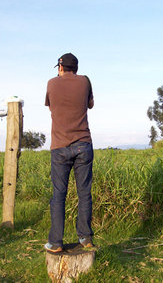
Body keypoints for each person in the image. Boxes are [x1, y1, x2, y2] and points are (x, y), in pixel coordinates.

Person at [44, 53, 95, 253]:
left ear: (60, 67)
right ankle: (85, 237)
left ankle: (56, 242)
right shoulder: (85, 81)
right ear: (77, 68)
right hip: (83, 143)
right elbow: (90, 105)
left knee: (59, 194)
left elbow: (50, 105)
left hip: (60, 146)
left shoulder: (51, 83)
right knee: (84, 193)